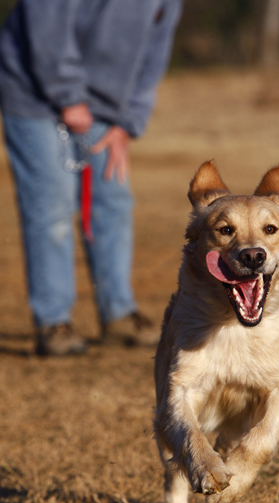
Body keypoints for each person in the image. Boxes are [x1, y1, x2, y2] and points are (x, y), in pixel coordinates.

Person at [0, 0, 182, 355]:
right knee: (52, 201)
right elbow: (45, 23)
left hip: (102, 105)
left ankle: (118, 314)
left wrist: (127, 123)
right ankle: (53, 321)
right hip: (34, 88)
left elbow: (153, 56)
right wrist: (68, 96)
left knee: (112, 199)